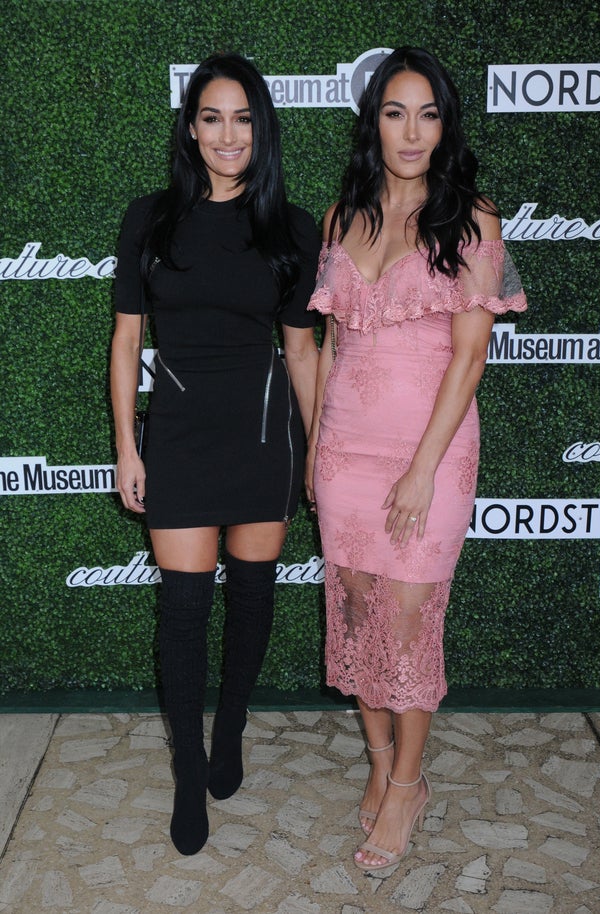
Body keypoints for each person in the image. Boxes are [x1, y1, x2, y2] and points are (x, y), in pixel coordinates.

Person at [305, 47, 527, 873]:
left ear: (445, 125)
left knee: (407, 618)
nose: (411, 130)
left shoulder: (473, 219)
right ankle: (378, 763)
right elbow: (331, 344)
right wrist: (318, 447)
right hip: (344, 454)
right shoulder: (341, 217)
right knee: (358, 612)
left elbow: (469, 358)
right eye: (396, 112)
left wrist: (424, 468)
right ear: (374, 122)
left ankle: (407, 784)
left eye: (428, 113)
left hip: (426, 451)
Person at [110, 52, 320, 856]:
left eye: (242, 118)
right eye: (210, 117)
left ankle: (230, 729)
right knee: (185, 609)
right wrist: (130, 446)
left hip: (265, 435)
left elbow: (301, 352)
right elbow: (127, 339)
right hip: (183, 438)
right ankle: (188, 767)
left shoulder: (291, 227)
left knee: (255, 595)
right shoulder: (150, 218)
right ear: (190, 125)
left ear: (261, 129)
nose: (226, 134)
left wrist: (316, 452)